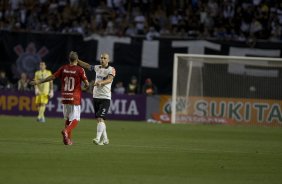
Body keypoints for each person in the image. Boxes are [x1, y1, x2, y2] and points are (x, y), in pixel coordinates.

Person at [30, 51, 89, 145]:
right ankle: (66, 131)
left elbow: (52, 77)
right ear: (77, 60)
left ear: (69, 59)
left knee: (69, 118)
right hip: (75, 97)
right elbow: (87, 84)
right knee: (76, 119)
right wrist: (85, 87)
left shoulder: (63, 68)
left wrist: (39, 82)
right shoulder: (80, 70)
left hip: (65, 97)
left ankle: (67, 140)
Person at [77, 52, 115, 146]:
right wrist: (77, 60)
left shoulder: (111, 69)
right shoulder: (97, 67)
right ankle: (105, 139)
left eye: (105, 58)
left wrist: (101, 82)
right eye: (101, 58)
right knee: (99, 119)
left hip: (105, 97)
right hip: (96, 96)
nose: (102, 59)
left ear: (108, 60)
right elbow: (87, 66)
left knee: (100, 118)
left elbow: (110, 79)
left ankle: (97, 139)